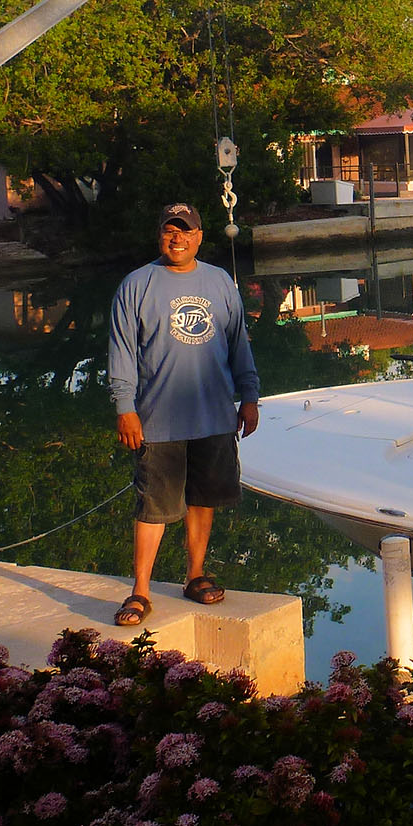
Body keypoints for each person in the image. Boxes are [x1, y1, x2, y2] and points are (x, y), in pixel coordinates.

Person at [107, 202, 260, 626]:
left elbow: (238, 345)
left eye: (186, 231)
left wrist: (249, 396)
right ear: (160, 235)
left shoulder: (219, 283)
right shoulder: (136, 285)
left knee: (203, 498)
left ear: (199, 236)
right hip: (157, 418)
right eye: (170, 231)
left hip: (214, 416)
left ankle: (195, 574)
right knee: (153, 506)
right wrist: (125, 408)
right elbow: (121, 354)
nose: (178, 238)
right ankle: (140, 590)